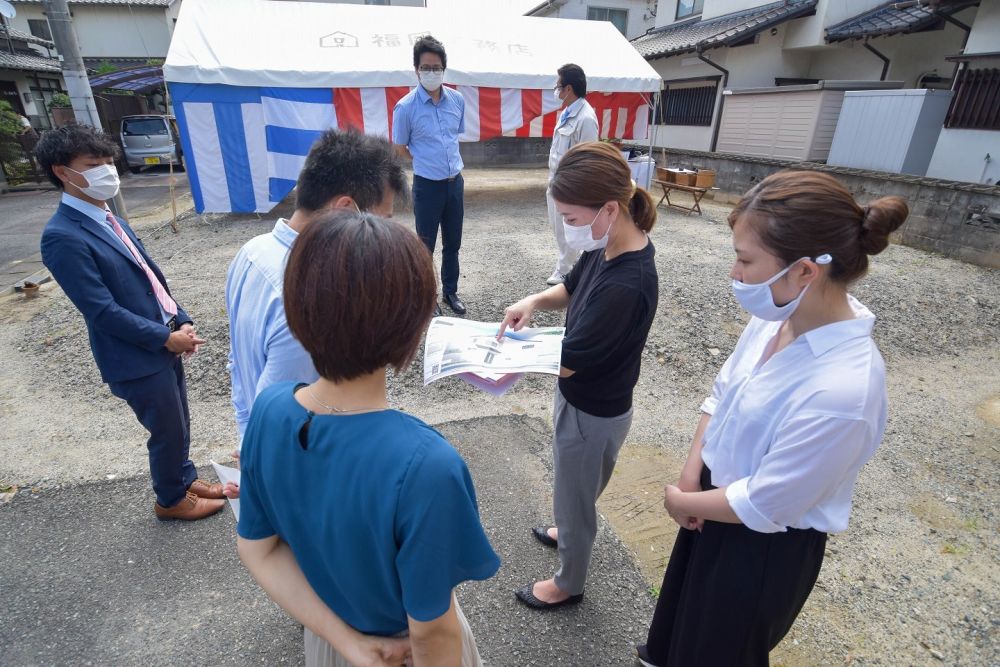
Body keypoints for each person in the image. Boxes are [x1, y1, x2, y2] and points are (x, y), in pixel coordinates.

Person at [635, 171, 908, 666]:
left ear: (806, 271)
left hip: (759, 547)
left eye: (745, 260)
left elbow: (768, 502)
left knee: (719, 648)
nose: (735, 273)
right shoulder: (777, 318)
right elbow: (722, 393)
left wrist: (684, 500)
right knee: (681, 631)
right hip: (711, 502)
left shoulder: (844, 388)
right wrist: (692, 469)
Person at [237, 210, 500, 667]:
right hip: (406, 652)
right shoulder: (426, 467)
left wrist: (347, 643)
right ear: (413, 332)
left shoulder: (270, 411)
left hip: (331, 645)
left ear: (298, 310)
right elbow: (433, 629)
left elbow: (257, 550)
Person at [499, 141, 659, 610]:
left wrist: (500, 362)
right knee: (576, 483)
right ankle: (568, 522)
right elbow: (569, 287)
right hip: (583, 400)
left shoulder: (628, 284)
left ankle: (569, 582)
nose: (568, 229)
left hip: (593, 409)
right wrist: (532, 301)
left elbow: (568, 360)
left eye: (571, 218)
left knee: (577, 491)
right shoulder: (606, 242)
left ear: (609, 208)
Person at [37, 124, 223, 521]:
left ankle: (183, 477)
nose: (106, 171)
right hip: (134, 355)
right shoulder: (63, 236)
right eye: (93, 164)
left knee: (180, 419)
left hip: (161, 341)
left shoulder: (107, 216)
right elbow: (100, 310)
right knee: (166, 429)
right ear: (63, 172)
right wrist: (164, 338)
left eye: (108, 162)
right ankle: (170, 500)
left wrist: (180, 321)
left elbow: (148, 276)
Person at [225, 129, 405, 451]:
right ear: (346, 209)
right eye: (383, 220)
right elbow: (285, 417)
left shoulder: (253, 251)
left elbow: (237, 364)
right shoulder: (311, 296)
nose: (386, 233)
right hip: (293, 458)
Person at [392, 35, 467, 317]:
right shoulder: (405, 107)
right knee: (425, 248)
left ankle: (450, 291)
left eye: (436, 67)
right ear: (416, 69)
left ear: (444, 69)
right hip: (426, 187)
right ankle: (428, 297)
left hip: (455, 184)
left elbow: (454, 136)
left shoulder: (457, 100)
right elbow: (400, 147)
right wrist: (424, 160)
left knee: (453, 243)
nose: (432, 72)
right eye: (426, 67)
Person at [545, 64, 598, 286]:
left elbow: (588, 158)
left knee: (570, 228)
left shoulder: (586, 117)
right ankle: (567, 266)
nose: (556, 91)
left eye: (558, 86)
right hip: (556, 181)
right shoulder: (567, 113)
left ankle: (566, 271)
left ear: (568, 88)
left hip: (571, 186)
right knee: (557, 226)